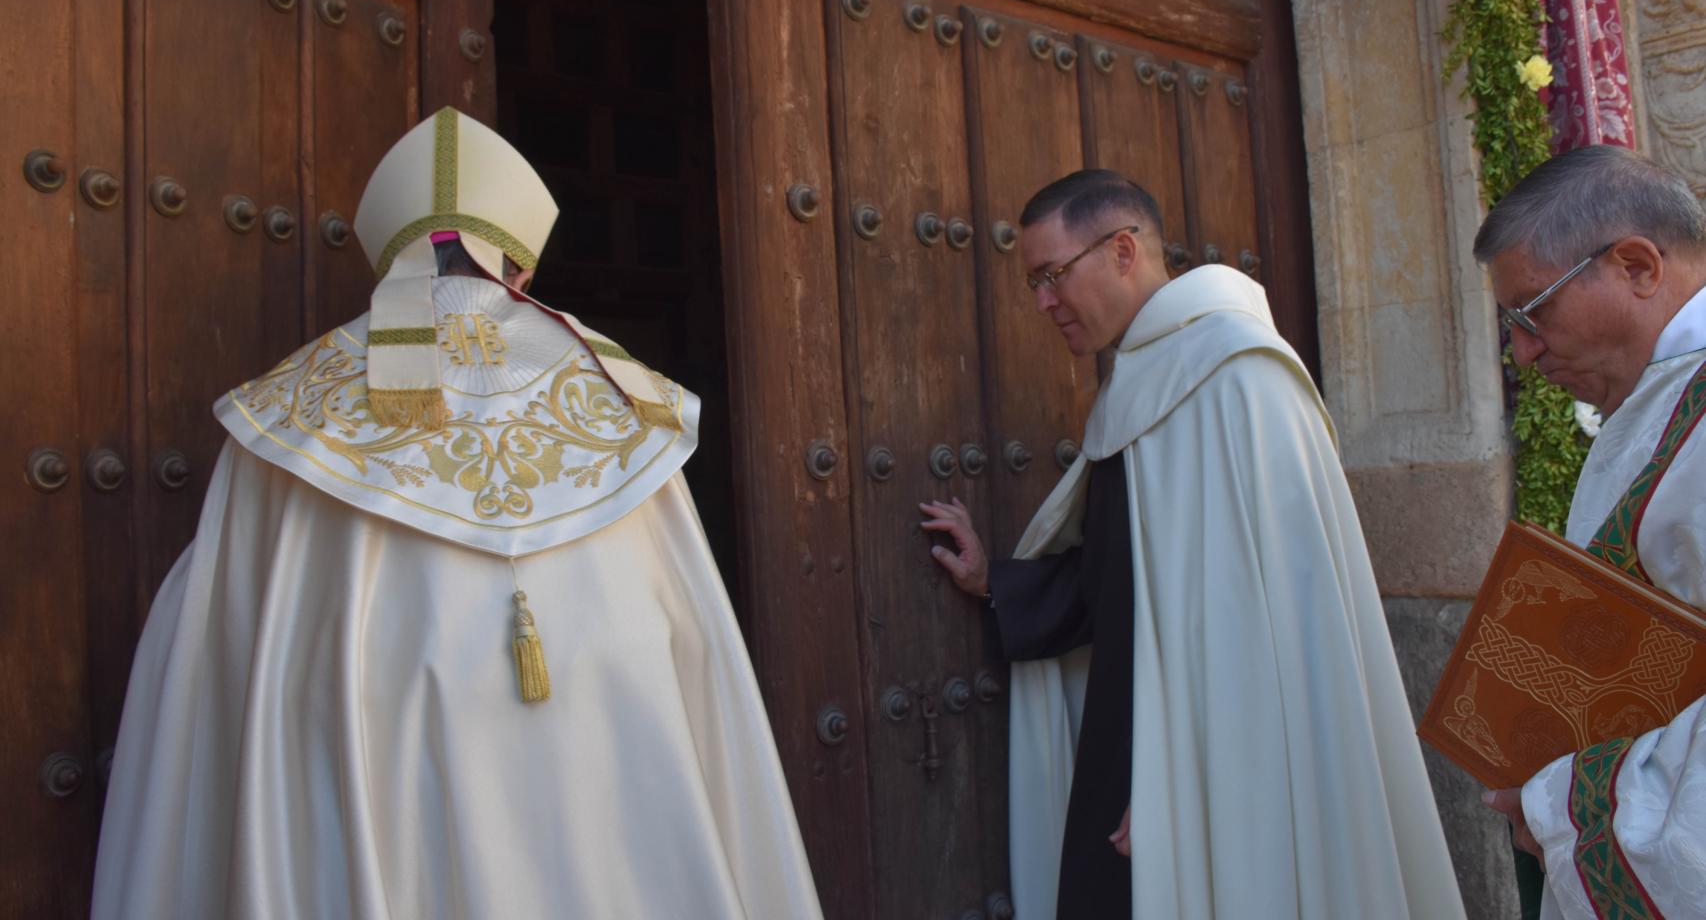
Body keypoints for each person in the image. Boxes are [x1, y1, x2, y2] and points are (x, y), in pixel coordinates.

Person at [91, 107, 823, 919]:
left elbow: (209, 644)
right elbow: (698, 640)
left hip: (383, 745)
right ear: (519, 266)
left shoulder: (290, 411)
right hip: (606, 732)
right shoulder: (622, 394)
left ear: (390, 256)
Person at [920, 169, 1464, 919]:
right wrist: (995, 582)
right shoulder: (1141, 379)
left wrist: (1190, 787)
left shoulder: (1242, 378)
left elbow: (1270, 625)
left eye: (1051, 275)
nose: (1043, 302)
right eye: (1034, 284)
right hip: (1136, 749)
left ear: (1121, 251)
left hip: (1217, 773)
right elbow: (1123, 580)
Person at [1477, 145, 1706, 920]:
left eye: (1533, 312)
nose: (1524, 352)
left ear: (1637, 266)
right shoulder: (1663, 397)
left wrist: (1564, 805)